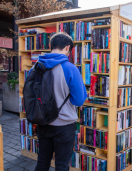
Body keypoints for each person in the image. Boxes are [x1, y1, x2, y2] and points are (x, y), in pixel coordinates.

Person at [34, 33, 87, 171]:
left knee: (42, 161)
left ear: (51, 46)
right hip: (64, 125)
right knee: (62, 165)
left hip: (43, 122)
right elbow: (79, 100)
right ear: (67, 48)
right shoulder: (70, 68)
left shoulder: (37, 66)